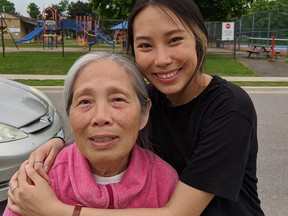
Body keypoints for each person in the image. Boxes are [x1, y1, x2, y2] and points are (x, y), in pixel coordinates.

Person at [7, 0, 265, 215]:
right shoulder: (151, 98)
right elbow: (101, 120)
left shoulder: (230, 109)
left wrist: (56, 210)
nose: (162, 59)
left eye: (174, 40)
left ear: (198, 38)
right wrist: (58, 143)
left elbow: (177, 214)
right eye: (145, 45)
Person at [4, 51, 179, 216]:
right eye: (85, 101)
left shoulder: (164, 182)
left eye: (118, 99)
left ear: (143, 114)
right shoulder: (40, 178)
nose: (100, 117)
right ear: (70, 115)